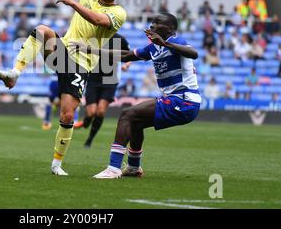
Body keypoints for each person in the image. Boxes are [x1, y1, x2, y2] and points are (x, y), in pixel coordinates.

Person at [0, 0, 127, 176]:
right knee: (42, 30)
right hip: (63, 51)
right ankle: (14, 73)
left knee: (67, 114)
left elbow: (98, 20)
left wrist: (72, 3)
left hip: (82, 65)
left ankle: (56, 164)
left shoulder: (119, 12)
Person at [71, 12, 200, 178]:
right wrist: (88, 49)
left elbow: (193, 53)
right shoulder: (153, 48)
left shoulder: (175, 41)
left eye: (157, 22)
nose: (152, 25)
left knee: (127, 114)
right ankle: (133, 167)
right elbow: (125, 56)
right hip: (176, 101)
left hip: (184, 101)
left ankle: (113, 168)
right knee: (136, 124)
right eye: (152, 22)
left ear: (170, 28)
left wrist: (166, 45)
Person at [73, 33, 131, 149]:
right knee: (91, 112)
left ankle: (90, 139)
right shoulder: (95, 37)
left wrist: (127, 65)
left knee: (100, 112)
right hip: (94, 79)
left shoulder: (120, 39)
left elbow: (130, 55)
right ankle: (85, 122)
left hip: (110, 80)